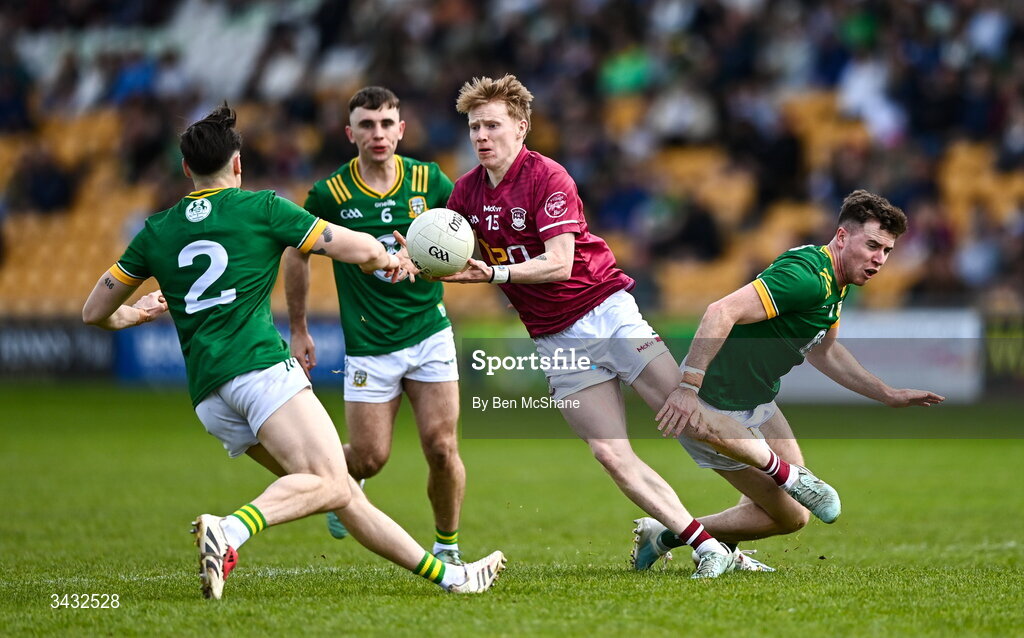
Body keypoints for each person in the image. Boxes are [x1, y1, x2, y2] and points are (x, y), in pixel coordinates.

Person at [81, 104, 505, 600]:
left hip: (209, 397)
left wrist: (132, 313)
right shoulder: (261, 208)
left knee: (336, 489)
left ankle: (452, 578)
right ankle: (230, 530)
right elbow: (355, 248)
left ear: (186, 170)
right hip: (260, 370)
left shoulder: (156, 230)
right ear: (237, 165)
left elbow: (94, 311)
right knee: (330, 483)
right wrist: (389, 257)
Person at [437, 74, 791, 578]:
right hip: (554, 338)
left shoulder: (548, 178)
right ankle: (706, 546)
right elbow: (447, 250)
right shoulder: (467, 193)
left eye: (492, 125)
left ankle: (789, 478)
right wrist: (404, 257)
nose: (481, 137)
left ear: (522, 127)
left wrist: (493, 272)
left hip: (606, 312)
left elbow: (559, 263)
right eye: (474, 127)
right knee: (609, 452)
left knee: (690, 416)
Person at [631, 190, 945, 571]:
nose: (879, 259)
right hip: (714, 407)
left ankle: (672, 536)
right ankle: (680, 537)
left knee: (793, 511)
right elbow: (720, 312)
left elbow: (825, 351)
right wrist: (687, 387)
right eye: (873, 245)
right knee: (791, 515)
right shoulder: (806, 277)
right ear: (843, 238)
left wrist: (887, 394)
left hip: (759, 403)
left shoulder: (836, 282)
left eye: (887, 251)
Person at [283, 87, 468, 564]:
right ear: (350, 133)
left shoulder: (430, 180)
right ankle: (339, 478)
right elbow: (295, 252)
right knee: (370, 458)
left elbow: (465, 236)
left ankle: (447, 548)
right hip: (369, 345)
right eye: (367, 125)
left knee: (443, 447)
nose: (378, 133)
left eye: (387, 124)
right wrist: (299, 327)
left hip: (429, 332)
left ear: (402, 130)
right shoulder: (330, 194)